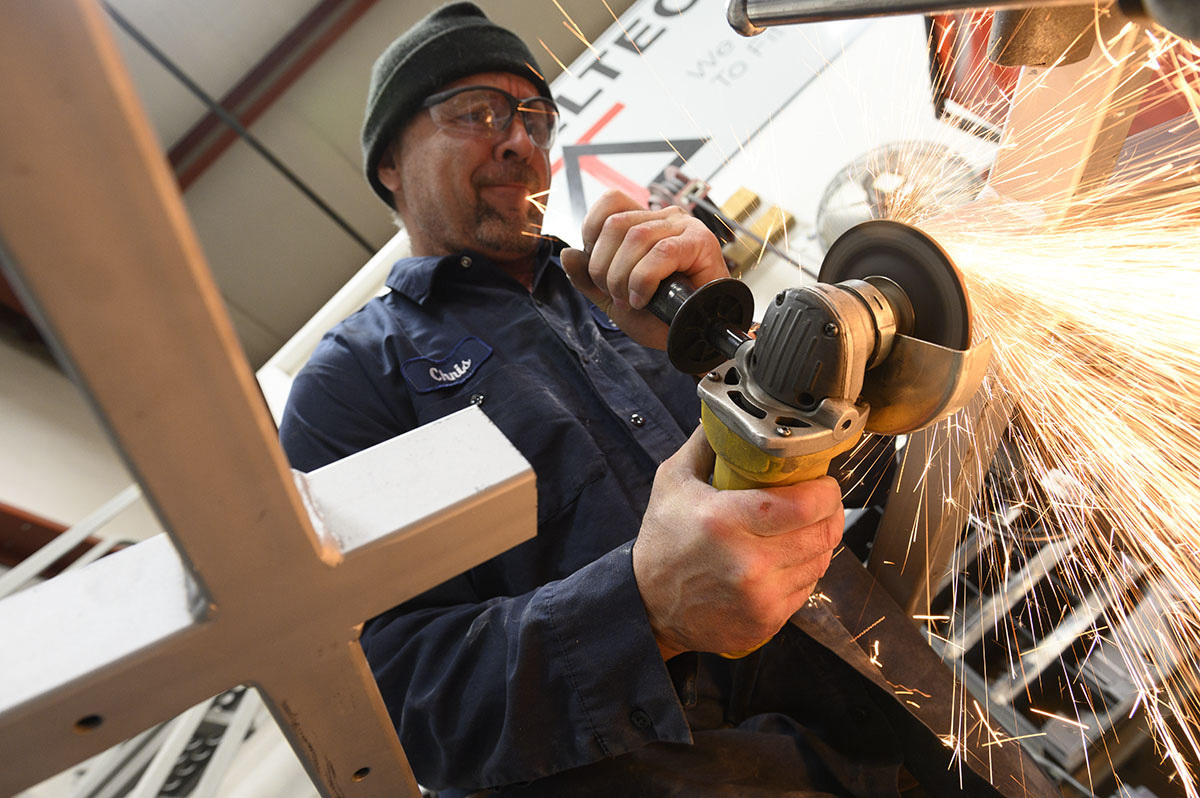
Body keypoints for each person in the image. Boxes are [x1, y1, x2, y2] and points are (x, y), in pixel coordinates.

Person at [280, 4, 1056, 796]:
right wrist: (642, 608)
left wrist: (748, 344)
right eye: (476, 113)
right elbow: (390, 701)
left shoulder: (635, 289)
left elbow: (832, 479)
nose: (519, 142)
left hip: (888, 705)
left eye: (535, 118)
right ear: (389, 162)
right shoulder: (354, 380)